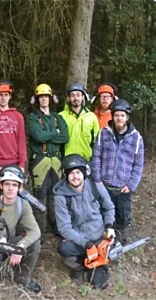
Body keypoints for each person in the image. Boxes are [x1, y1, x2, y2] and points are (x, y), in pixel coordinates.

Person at [53, 154, 115, 288]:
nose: (75, 176)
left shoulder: (95, 186)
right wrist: (86, 244)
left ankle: (96, 264)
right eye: (71, 173)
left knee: (99, 284)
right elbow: (64, 228)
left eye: (78, 172)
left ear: (84, 172)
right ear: (66, 175)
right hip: (80, 240)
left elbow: (109, 207)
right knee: (65, 248)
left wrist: (109, 226)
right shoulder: (61, 196)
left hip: (99, 237)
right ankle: (79, 268)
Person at [92, 99, 144, 245]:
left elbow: (138, 164)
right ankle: (104, 238)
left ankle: (121, 239)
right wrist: (97, 179)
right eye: (116, 115)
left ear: (127, 117)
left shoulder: (136, 138)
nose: (119, 118)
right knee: (104, 213)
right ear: (112, 117)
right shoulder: (104, 134)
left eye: (122, 115)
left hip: (123, 187)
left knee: (122, 215)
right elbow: (96, 156)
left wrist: (132, 185)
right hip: (105, 185)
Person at [26, 83, 69, 242]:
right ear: (36, 100)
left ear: (51, 99)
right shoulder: (32, 118)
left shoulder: (58, 118)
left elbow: (65, 137)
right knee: (40, 194)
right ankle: (39, 230)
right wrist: (54, 133)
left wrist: (48, 134)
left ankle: (56, 225)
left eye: (46, 97)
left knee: (56, 194)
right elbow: (38, 136)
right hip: (40, 160)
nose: (44, 99)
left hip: (56, 160)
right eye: (41, 97)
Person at [59, 83, 100, 161]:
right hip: (66, 159)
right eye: (72, 95)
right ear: (68, 98)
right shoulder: (60, 116)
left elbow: (96, 141)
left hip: (86, 159)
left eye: (78, 95)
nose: (76, 98)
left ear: (83, 97)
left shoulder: (91, 116)